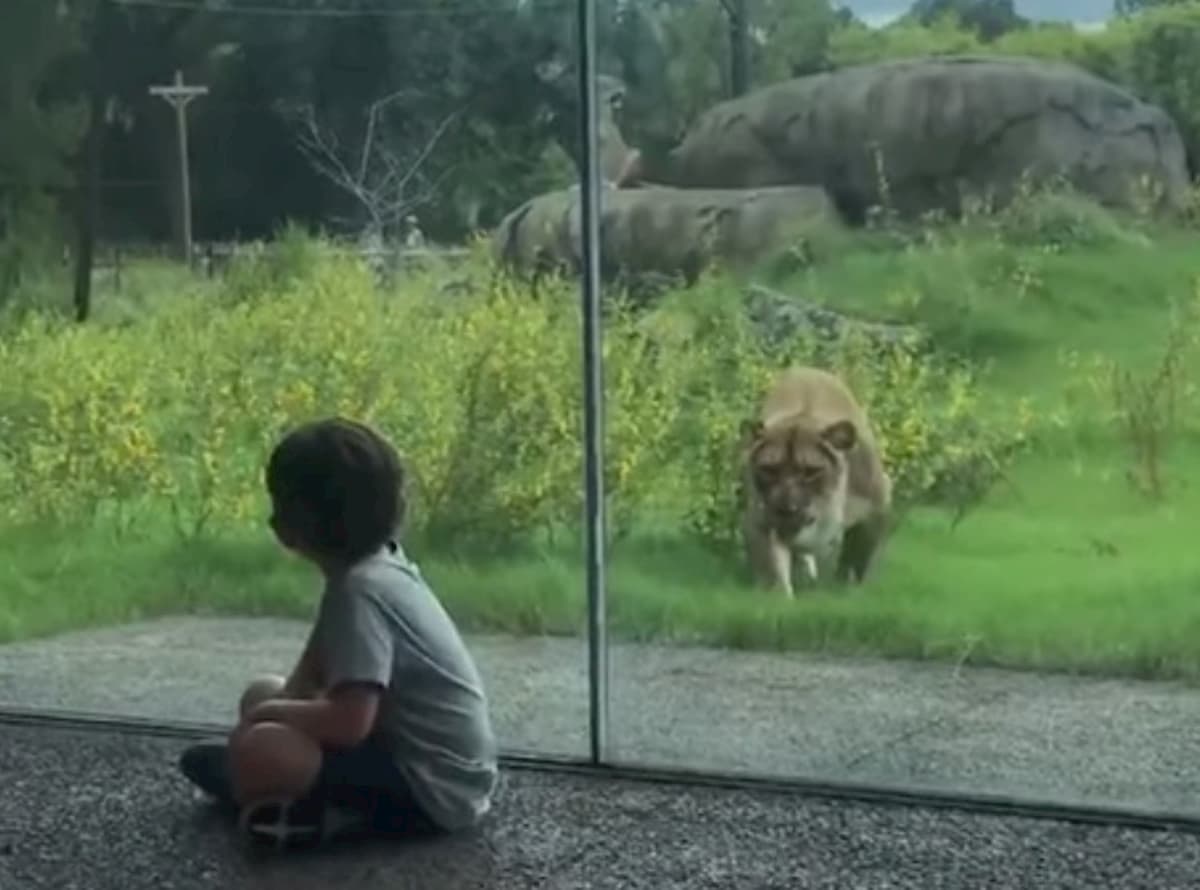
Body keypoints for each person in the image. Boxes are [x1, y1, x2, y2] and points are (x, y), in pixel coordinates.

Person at [178, 417, 499, 851]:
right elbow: (312, 672)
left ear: (288, 527)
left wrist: (263, 725)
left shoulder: (359, 593)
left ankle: (323, 817)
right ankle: (261, 781)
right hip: (441, 769)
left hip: (431, 790)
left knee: (262, 742)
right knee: (262, 693)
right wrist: (272, 708)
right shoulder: (379, 568)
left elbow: (350, 722)